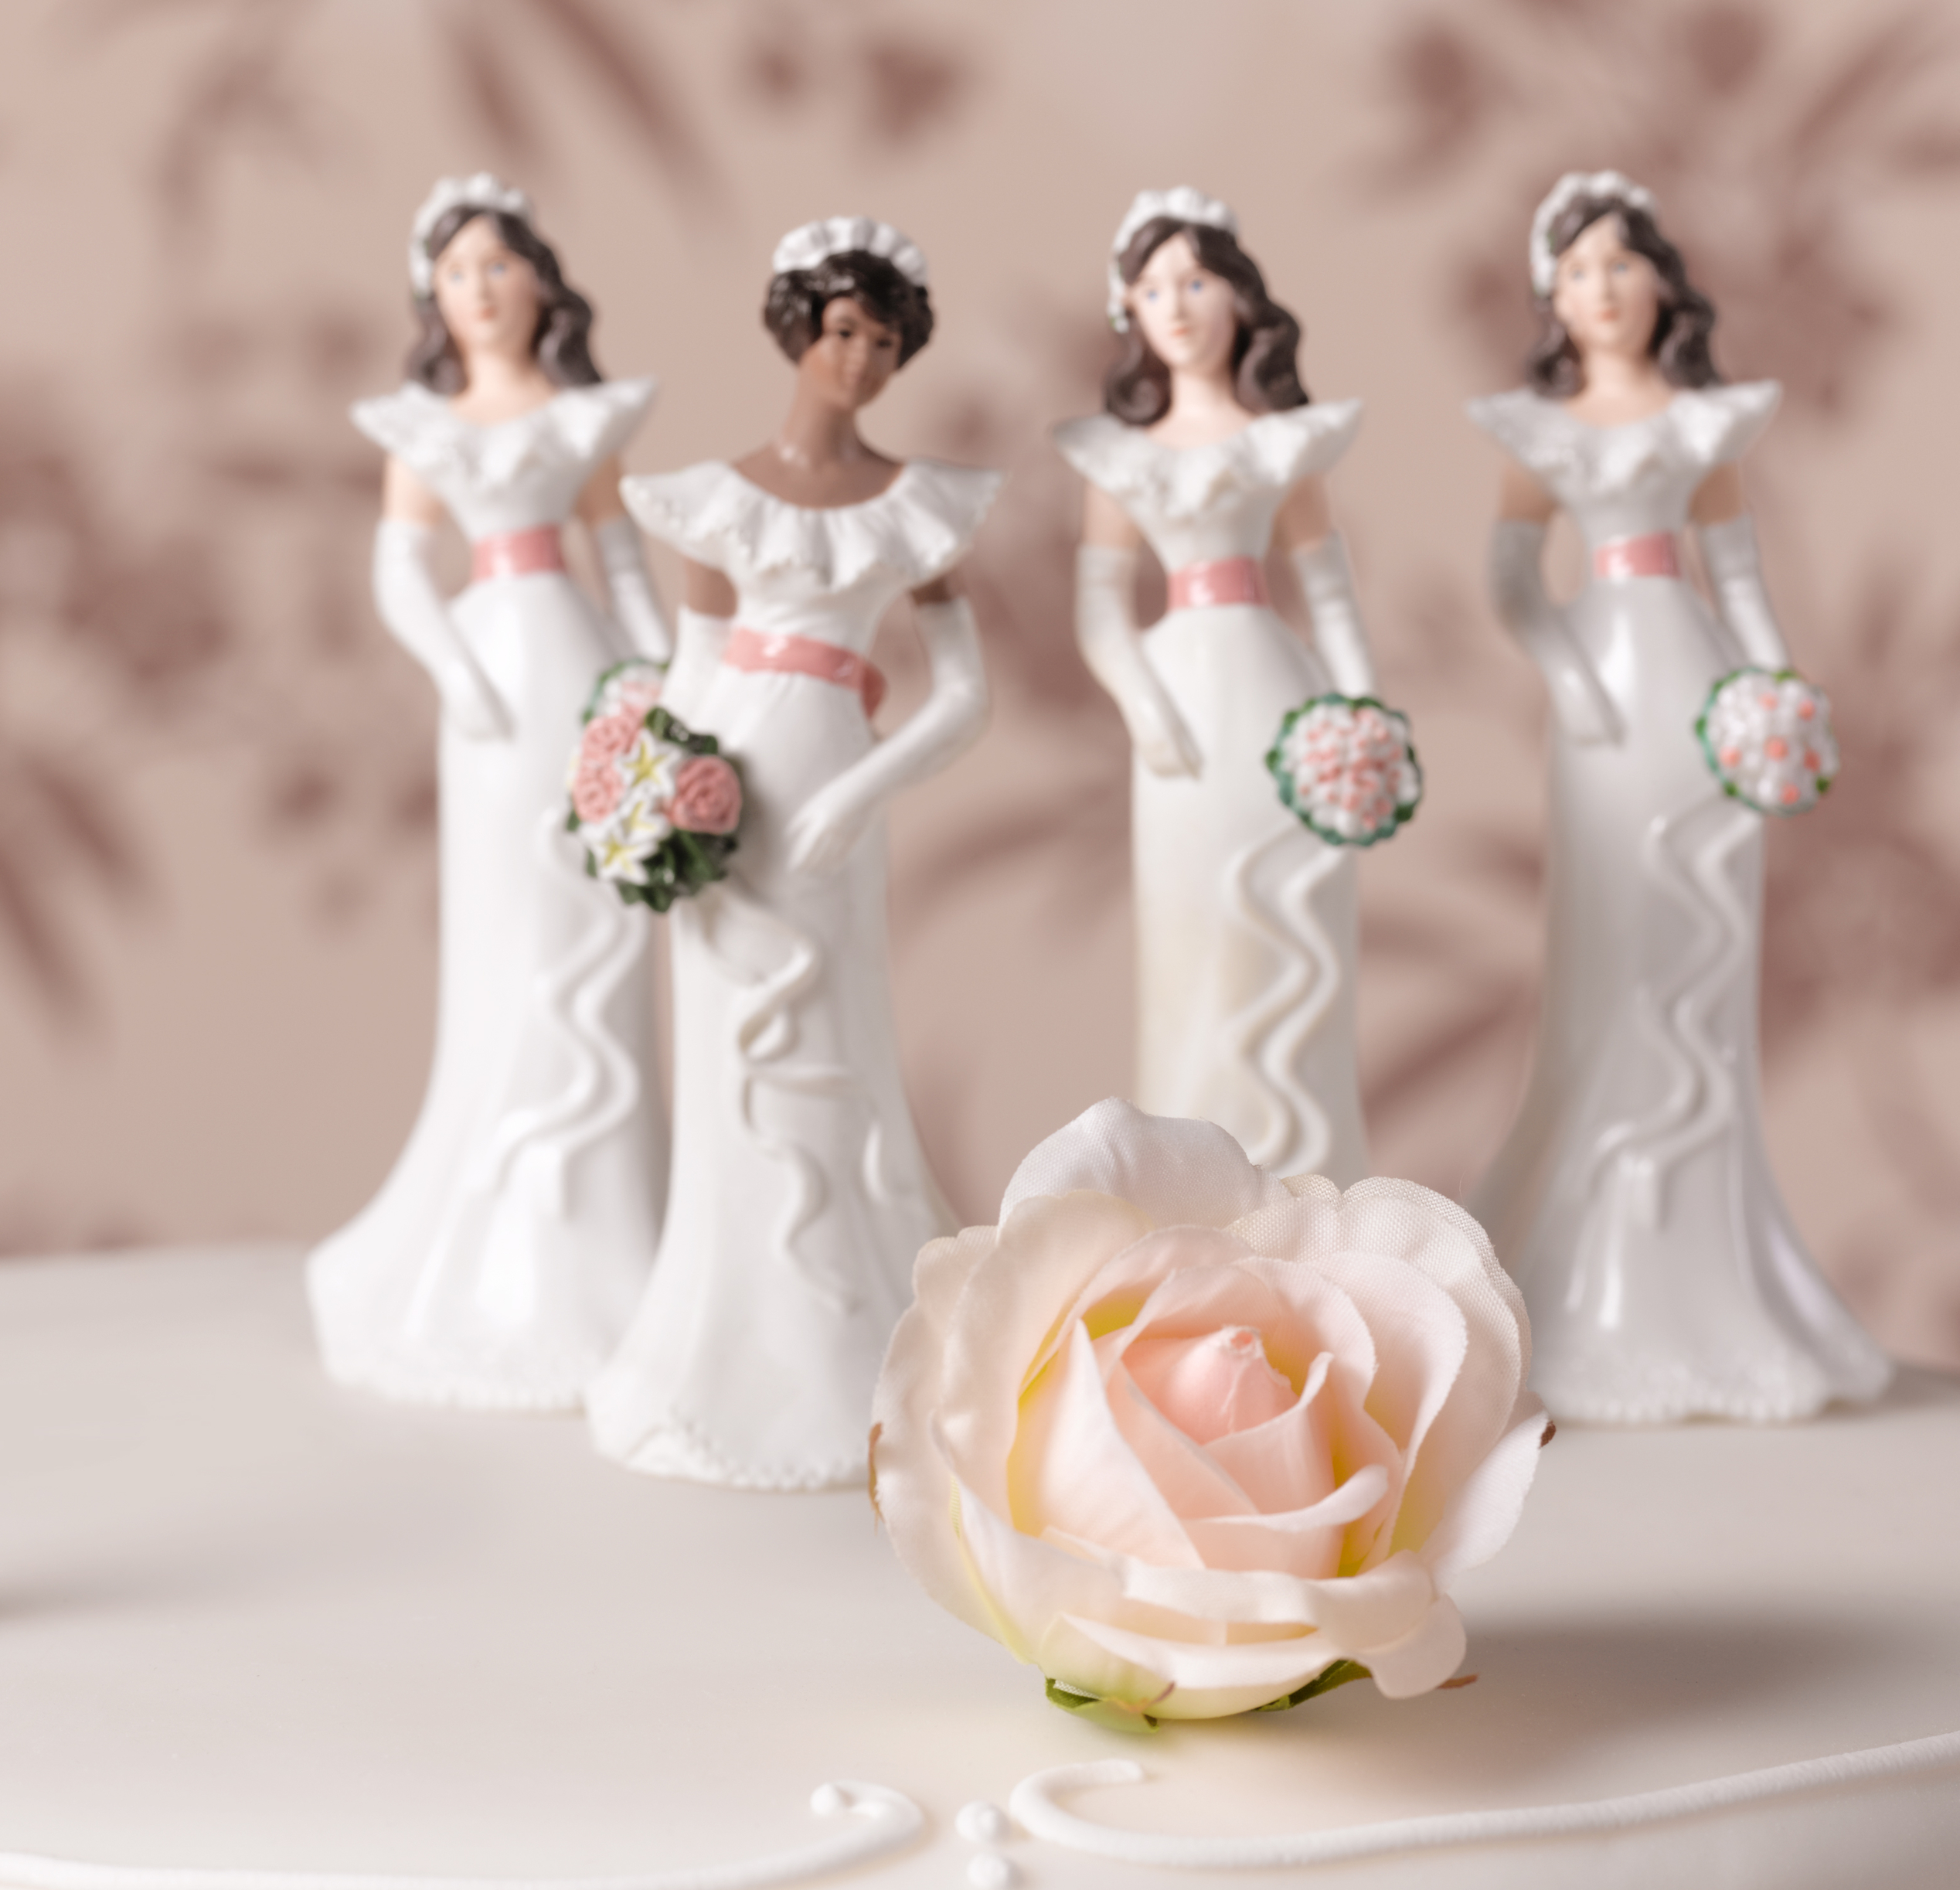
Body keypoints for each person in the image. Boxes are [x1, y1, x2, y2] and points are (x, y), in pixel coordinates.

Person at [583, 216, 999, 1489]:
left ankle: (848, 1343)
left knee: (833, 1047)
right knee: (724, 1066)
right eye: (840, 334)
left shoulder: (914, 508)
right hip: (727, 804)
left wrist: (867, 789)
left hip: (833, 797)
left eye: (883, 341)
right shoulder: (719, 502)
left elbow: (964, 696)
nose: (860, 362)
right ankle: (720, 1347)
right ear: (798, 335)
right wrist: (657, 791)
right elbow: (691, 666)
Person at [1465, 173, 1888, 1423]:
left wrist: (1770, 687)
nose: (1604, 288)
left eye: (1622, 264)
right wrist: (1563, 673)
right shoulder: (1540, 434)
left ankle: (1705, 1279)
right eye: (1581, 269)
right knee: (1615, 951)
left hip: (1696, 687)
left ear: (1662, 282)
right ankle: (1586, 1264)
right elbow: (1510, 578)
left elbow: (1741, 577)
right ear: (1555, 294)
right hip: (1602, 691)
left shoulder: (1703, 428)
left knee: (1705, 970)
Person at [305, 175, 674, 1410]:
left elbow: (620, 557)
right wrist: (454, 665)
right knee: (510, 940)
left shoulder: (580, 416)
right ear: (435, 297)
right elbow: (400, 562)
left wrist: (662, 685)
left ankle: (615, 1237)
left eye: (499, 267)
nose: (480, 291)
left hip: (580, 671)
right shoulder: (430, 425)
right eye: (458, 273)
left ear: (539, 282)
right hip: (495, 696)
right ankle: (502, 1236)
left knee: (600, 929)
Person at [1054, 187, 1378, 1184]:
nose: (1179, 306)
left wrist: (1360, 716)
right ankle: (1199, 1186)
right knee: (1196, 950)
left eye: (1197, 281)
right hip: (1184, 712)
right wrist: (1141, 701)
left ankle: (1312, 1190)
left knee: (1294, 935)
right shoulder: (1122, 457)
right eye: (1153, 289)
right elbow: (1101, 601)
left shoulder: (1282, 442)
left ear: (1240, 297)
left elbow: (1329, 590)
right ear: (1131, 315)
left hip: (1276, 697)